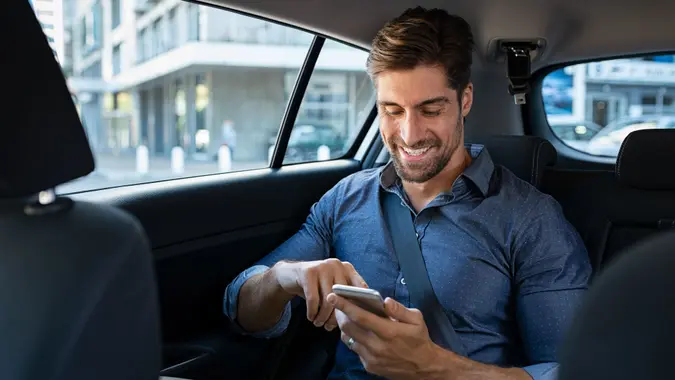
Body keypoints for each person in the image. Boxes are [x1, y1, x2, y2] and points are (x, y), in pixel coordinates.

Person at [224, 6, 591, 380]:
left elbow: (571, 371)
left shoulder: (531, 219)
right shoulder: (346, 199)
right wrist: (285, 276)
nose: (410, 134)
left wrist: (435, 367)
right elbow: (243, 313)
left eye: (430, 109)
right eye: (392, 110)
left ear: (464, 101)